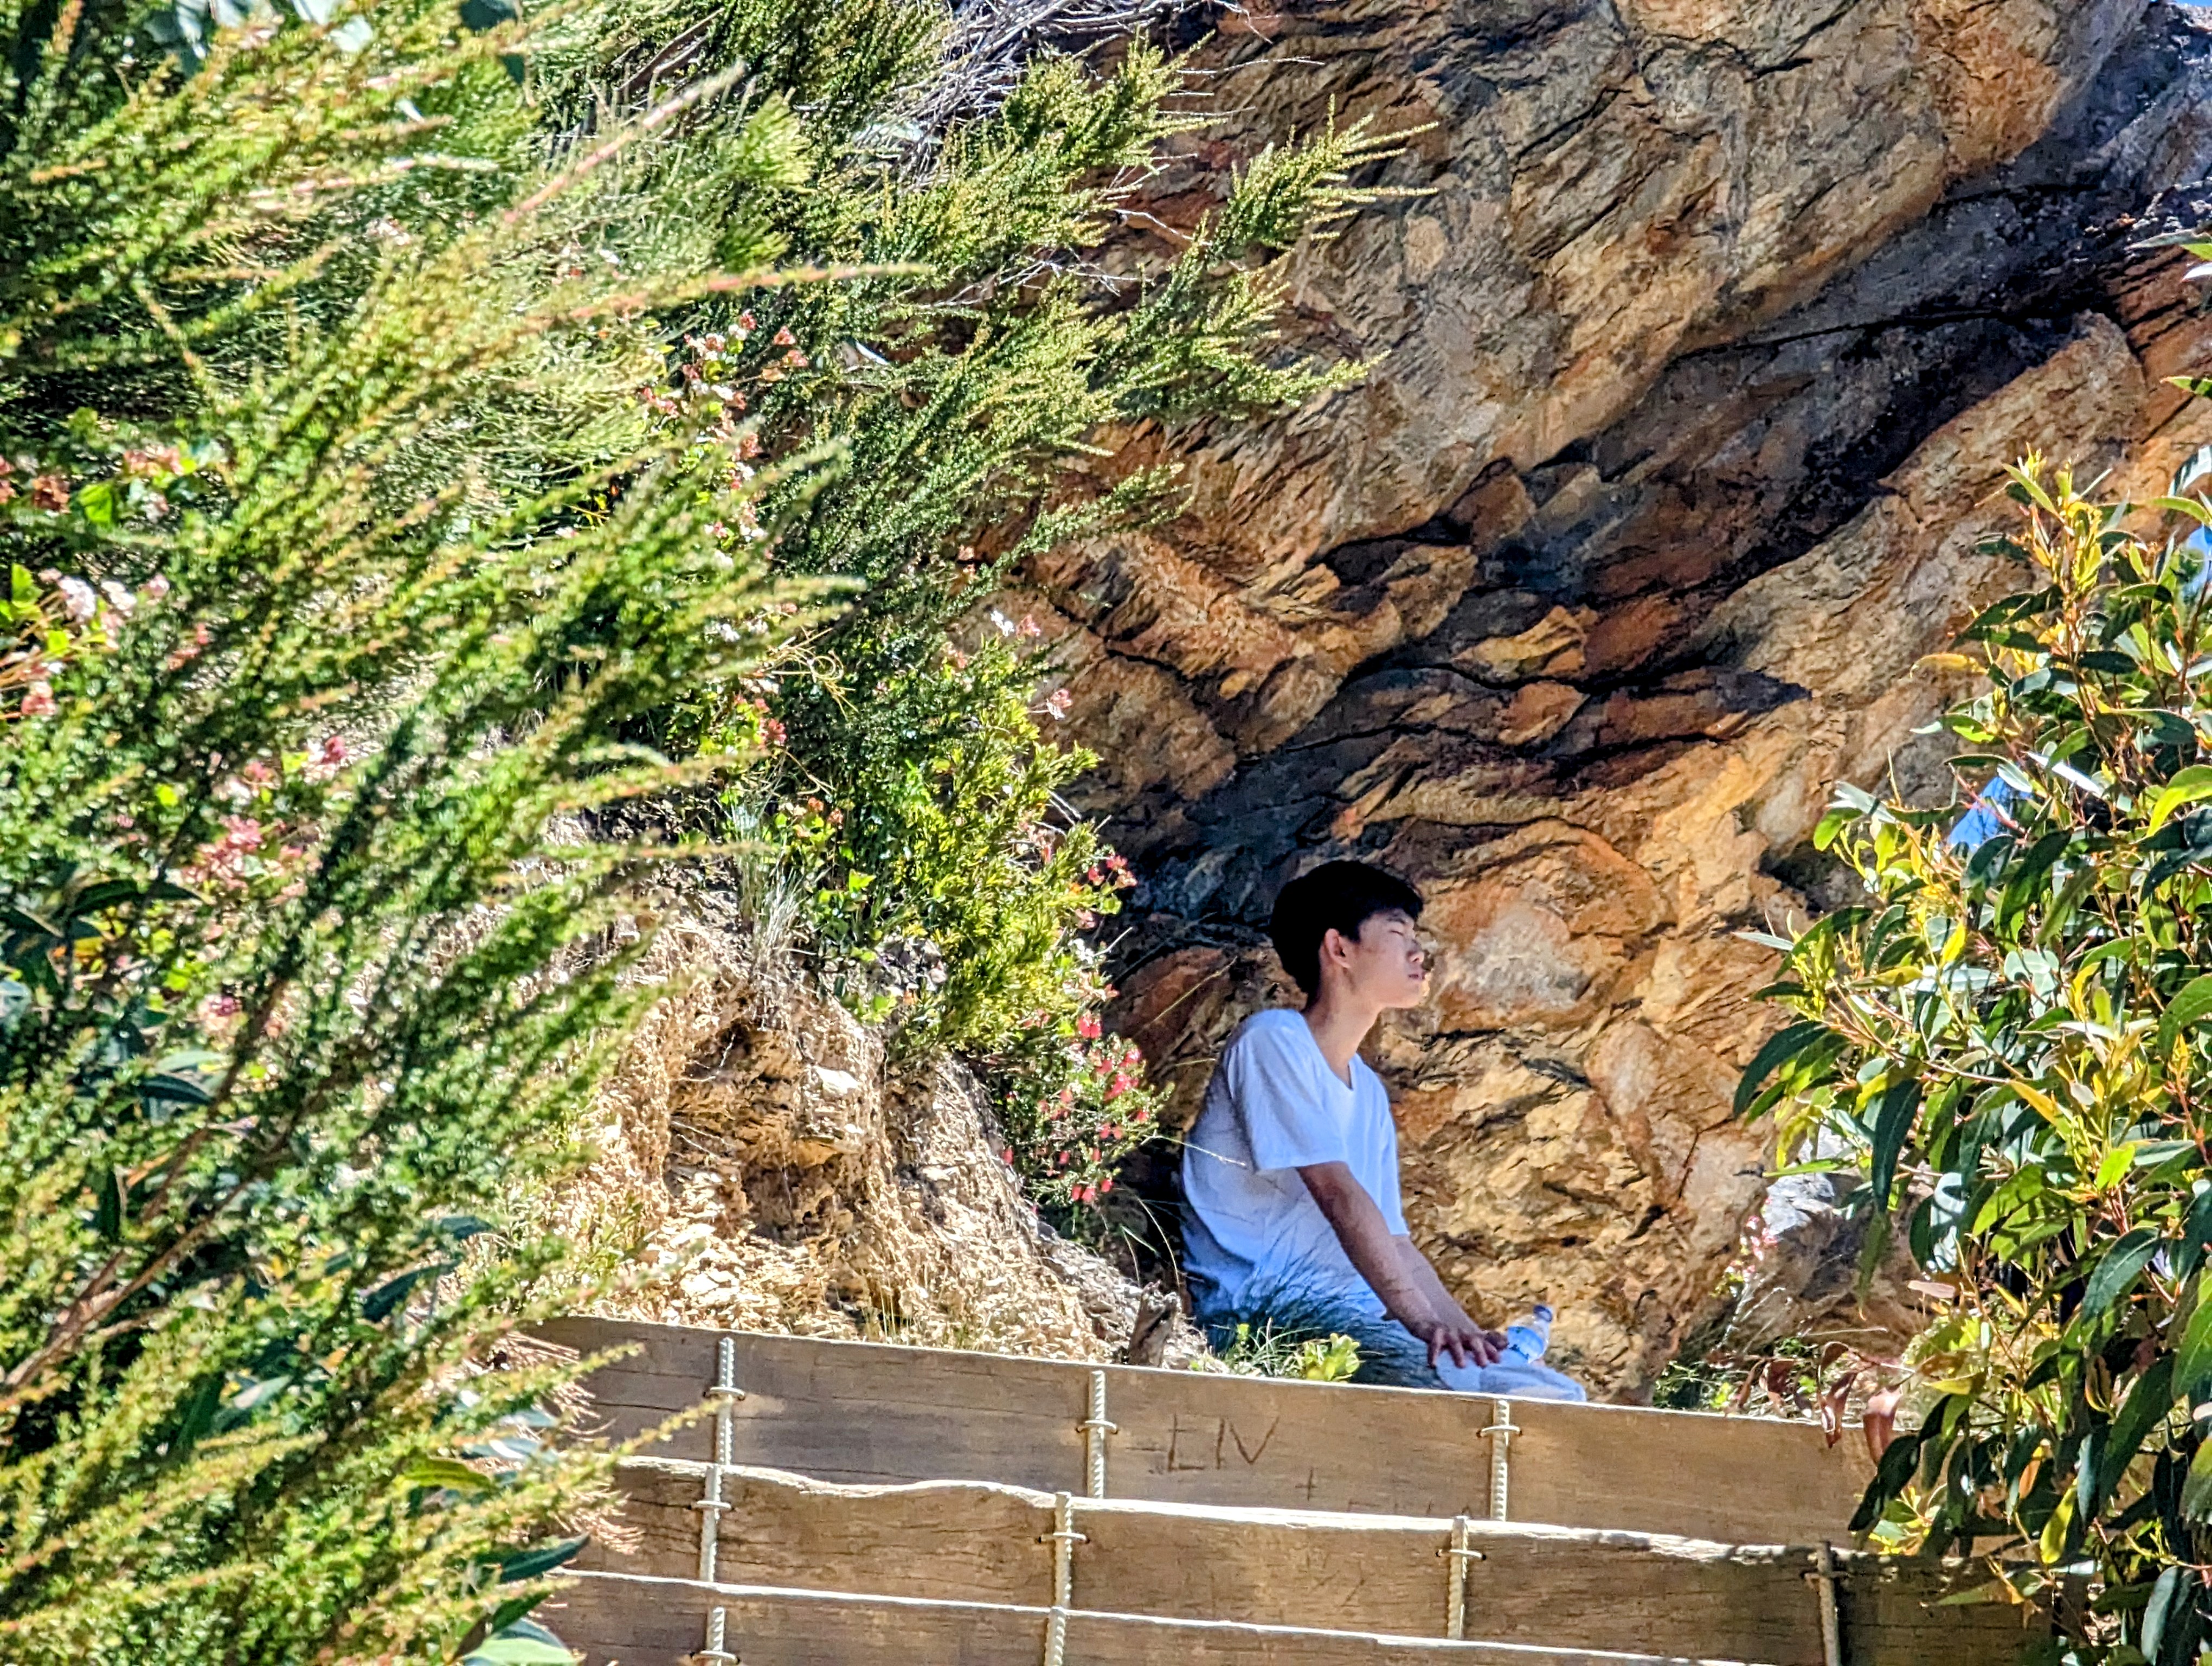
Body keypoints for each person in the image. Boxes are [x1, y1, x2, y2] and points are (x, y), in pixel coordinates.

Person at [1180, 860, 1586, 1400]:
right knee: (1507, 1404)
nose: (1419, 954)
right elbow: (1338, 1195)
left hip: (1358, 1324)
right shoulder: (1273, 1041)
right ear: (1339, 948)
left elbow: (1397, 1244)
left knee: (1553, 1393)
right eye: (1398, 935)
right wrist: (1422, 1324)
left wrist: (1467, 1337)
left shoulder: (1367, 1091)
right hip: (1267, 1319)